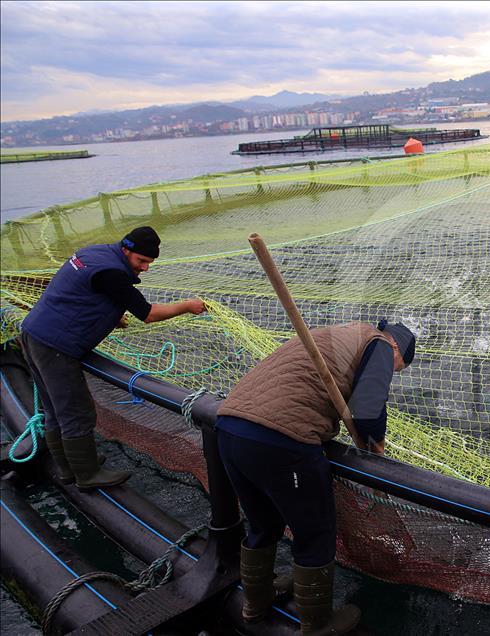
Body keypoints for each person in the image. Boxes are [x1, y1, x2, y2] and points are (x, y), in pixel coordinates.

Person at [215, 319, 416, 635]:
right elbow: (367, 408)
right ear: (395, 347)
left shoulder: (337, 334)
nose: (392, 372)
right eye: (397, 367)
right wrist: (376, 448)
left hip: (229, 427)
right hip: (281, 439)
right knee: (316, 533)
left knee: (263, 523)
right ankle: (317, 625)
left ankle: (255, 603)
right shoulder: (378, 343)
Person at [19, 226, 206, 490]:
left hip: (33, 334)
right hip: (56, 347)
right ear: (126, 249)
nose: (145, 268)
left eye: (150, 262)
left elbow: (81, 290)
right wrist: (187, 306)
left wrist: (110, 313)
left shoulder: (95, 253)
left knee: (53, 409)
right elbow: (147, 313)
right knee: (77, 413)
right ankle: (86, 475)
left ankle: (68, 469)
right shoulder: (113, 274)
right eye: (142, 261)